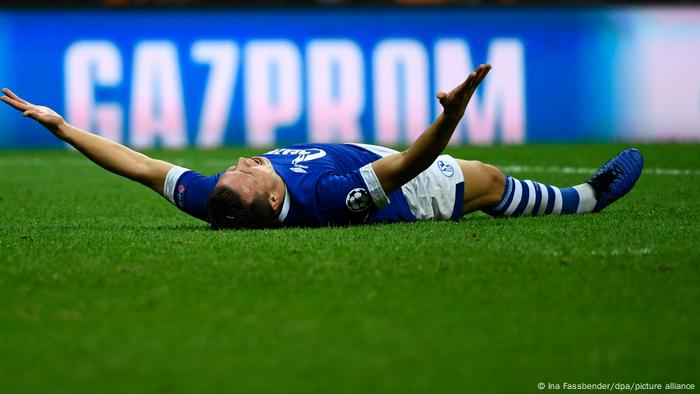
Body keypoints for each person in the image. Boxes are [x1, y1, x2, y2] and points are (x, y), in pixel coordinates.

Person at [0, 64, 644, 230]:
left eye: (239, 165)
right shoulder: (330, 198)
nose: (247, 161)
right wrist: (450, 118)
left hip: (359, 152)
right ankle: (585, 200)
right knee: (490, 182)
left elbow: (139, 166)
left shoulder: (216, 201)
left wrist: (62, 129)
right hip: (410, 191)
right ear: (272, 197)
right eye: (254, 171)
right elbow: (409, 165)